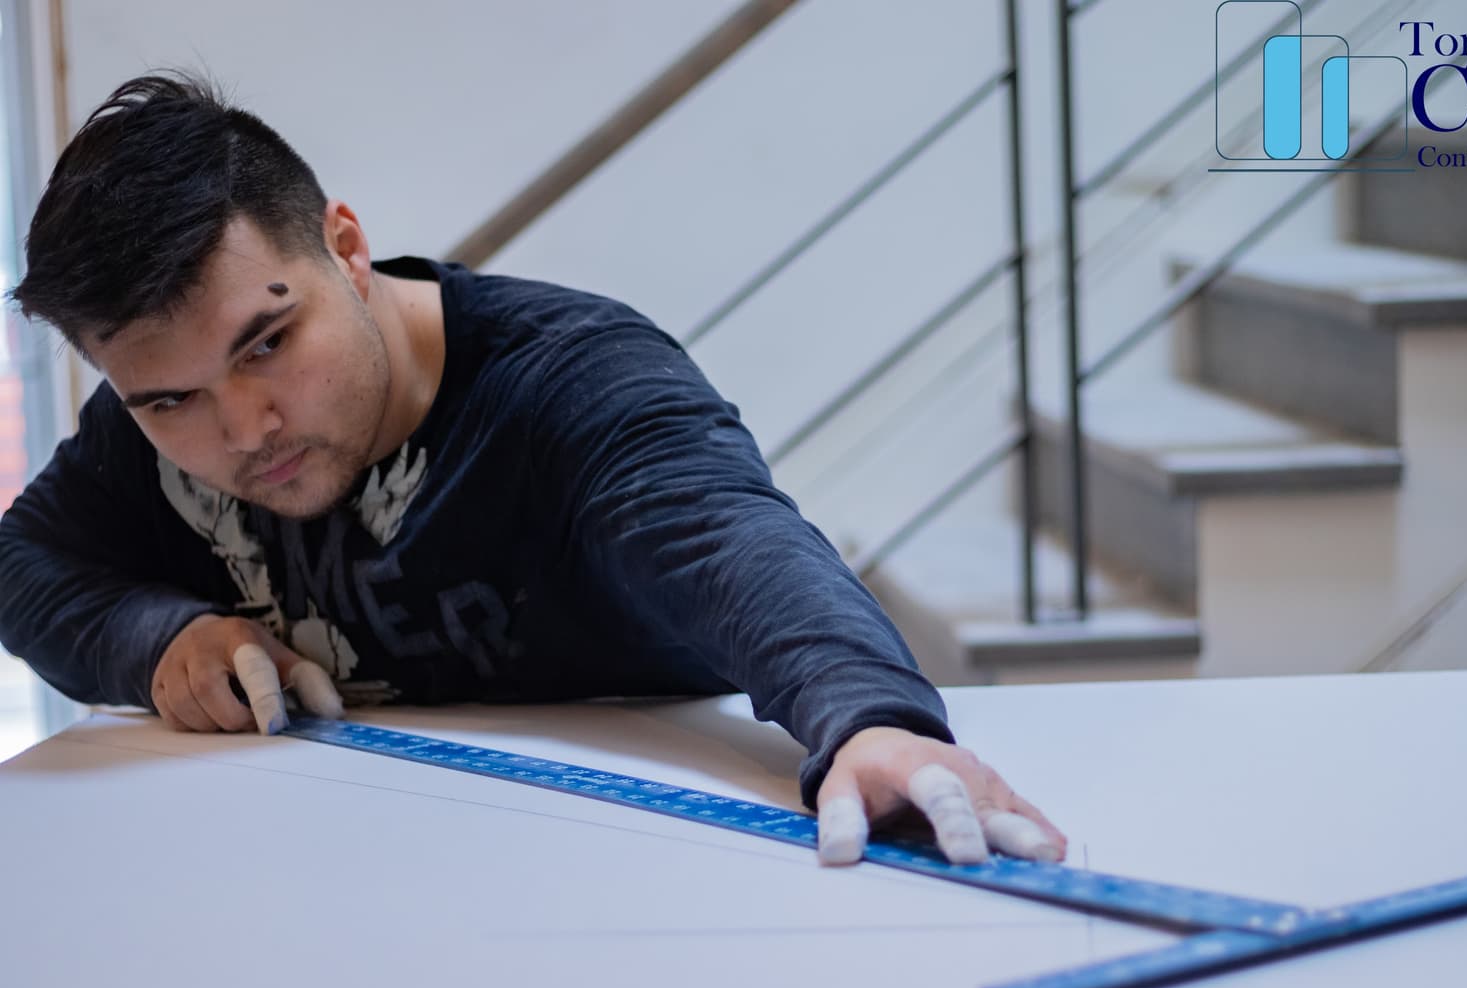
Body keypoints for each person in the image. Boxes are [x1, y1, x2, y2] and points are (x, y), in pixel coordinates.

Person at [0, 73, 1065, 868]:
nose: (244, 429)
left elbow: (728, 539)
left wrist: (872, 718)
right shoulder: (147, 429)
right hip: (325, 897)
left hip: (649, 892)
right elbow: (20, 563)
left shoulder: (571, 378)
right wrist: (156, 638)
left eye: (268, 343)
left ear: (347, 248)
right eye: (170, 400)